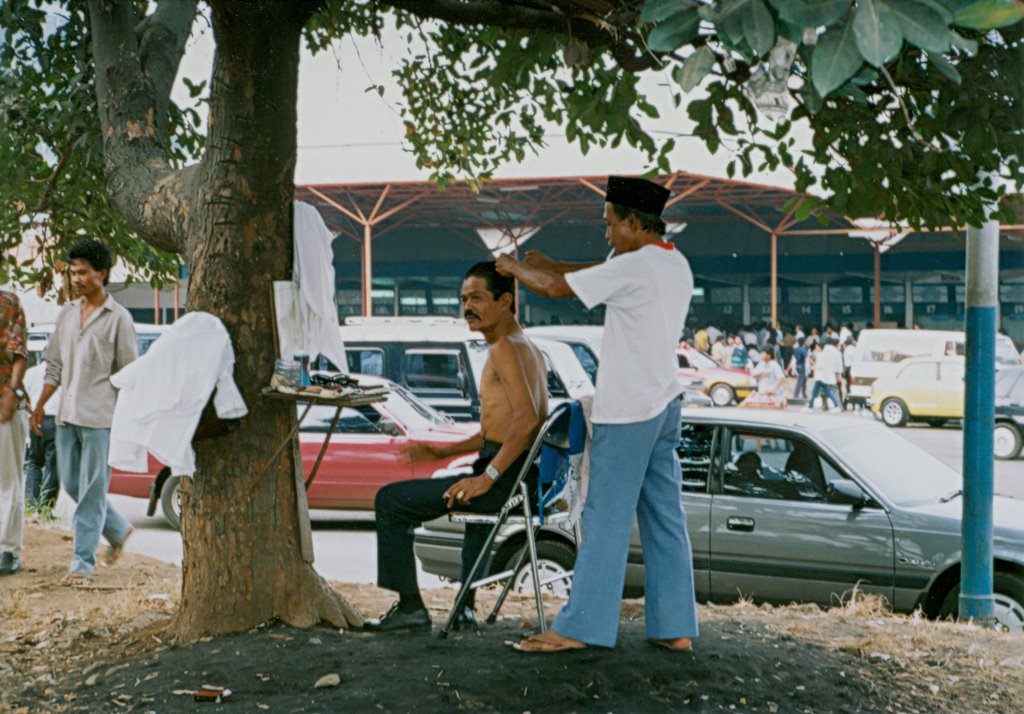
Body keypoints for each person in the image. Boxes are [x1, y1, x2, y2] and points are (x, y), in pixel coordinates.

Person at [495, 175, 698, 653]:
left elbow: (557, 289)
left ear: (633, 223)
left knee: (604, 517)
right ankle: (674, 628)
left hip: (628, 410)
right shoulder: (670, 262)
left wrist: (514, 267)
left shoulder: (634, 269)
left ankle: (579, 627)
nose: (605, 232)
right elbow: (590, 273)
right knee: (666, 518)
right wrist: (546, 264)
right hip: (665, 403)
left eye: (610, 224)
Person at [365, 261, 548, 632]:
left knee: (390, 501)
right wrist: (442, 452)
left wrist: (488, 478)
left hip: (504, 478)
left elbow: (528, 422)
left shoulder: (505, 350)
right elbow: (499, 429)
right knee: (468, 495)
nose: (467, 307)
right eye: (464, 298)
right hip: (518, 476)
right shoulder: (525, 346)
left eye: (477, 298)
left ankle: (411, 608)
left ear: (505, 301)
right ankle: (463, 608)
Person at [29, 239, 138, 586]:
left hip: (100, 419)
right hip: (66, 416)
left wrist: (122, 420)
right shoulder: (66, 314)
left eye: (82, 272)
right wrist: (41, 403)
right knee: (74, 485)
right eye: (73, 272)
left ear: (101, 274)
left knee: (91, 491)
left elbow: (127, 375)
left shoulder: (118, 319)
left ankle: (82, 564)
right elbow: (54, 366)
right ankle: (118, 529)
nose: (75, 278)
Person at [0, 290, 29, 577]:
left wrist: (12, 389)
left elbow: (20, 353)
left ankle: (8, 550)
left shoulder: (8, 303)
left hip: (5, 403)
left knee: (8, 481)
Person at [24, 357, 60, 510]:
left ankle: (30, 504)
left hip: (34, 419)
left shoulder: (31, 372)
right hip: (54, 421)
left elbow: (24, 396)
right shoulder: (61, 373)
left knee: (34, 462)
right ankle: (46, 507)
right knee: (52, 465)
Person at [807, 338, 843, 412]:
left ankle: (814, 405)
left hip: (822, 376)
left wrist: (813, 366)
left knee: (823, 391)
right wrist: (839, 375)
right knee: (831, 391)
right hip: (830, 375)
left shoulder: (821, 352)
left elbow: (815, 361)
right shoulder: (836, 352)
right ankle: (837, 405)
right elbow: (838, 365)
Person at [789, 337, 809, 401]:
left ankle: (804, 393)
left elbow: (794, 356)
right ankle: (796, 394)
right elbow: (806, 357)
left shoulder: (795, 349)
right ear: (804, 342)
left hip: (797, 365)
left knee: (803, 379)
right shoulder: (804, 349)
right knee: (800, 380)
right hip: (802, 365)